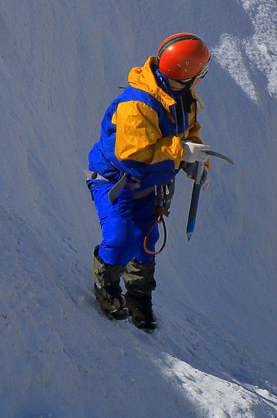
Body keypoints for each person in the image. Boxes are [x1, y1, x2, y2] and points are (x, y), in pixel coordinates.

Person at [86, 33, 214, 330]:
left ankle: (138, 297)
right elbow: (132, 155)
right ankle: (106, 289)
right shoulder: (138, 104)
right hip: (115, 181)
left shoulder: (181, 97)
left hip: (147, 184)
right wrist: (181, 153)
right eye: (200, 73)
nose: (201, 79)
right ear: (186, 74)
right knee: (120, 240)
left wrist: (196, 163)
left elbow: (188, 131)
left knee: (146, 242)